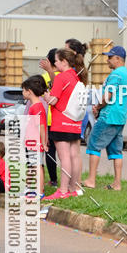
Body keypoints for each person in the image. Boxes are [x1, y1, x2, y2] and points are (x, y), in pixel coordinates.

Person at [83, 46, 127, 191]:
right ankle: (117, 183)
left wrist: (98, 107)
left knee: (93, 144)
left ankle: (91, 180)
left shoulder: (116, 74)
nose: (107, 60)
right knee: (116, 151)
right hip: (120, 117)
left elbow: (108, 95)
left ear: (118, 58)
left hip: (108, 115)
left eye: (110, 57)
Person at [45, 48, 84, 200]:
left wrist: (47, 96)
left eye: (56, 60)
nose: (54, 63)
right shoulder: (76, 76)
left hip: (61, 121)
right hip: (75, 122)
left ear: (64, 62)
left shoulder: (61, 77)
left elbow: (53, 100)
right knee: (74, 156)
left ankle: (62, 191)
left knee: (64, 157)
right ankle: (73, 189)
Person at [22, 75, 49, 197]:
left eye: (23, 90)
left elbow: (41, 126)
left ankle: (40, 191)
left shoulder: (37, 107)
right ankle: (28, 188)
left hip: (36, 143)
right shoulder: (33, 106)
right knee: (32, 165)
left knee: (37, 166)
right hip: (30, 142)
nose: (22, 92)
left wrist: (43, 142)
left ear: (29, 91)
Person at [38, 48, 59, 189]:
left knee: (49, 152)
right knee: (61, 152)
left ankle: (53, 179)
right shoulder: (65, 74)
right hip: (57, 120)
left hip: (48, 119)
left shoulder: (46, 77)